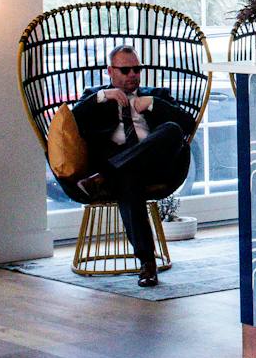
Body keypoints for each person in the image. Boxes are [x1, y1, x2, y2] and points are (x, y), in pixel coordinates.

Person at [70, 45, 192, 287]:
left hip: (156, 163)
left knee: (172, 130)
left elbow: (187, 124)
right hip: (125, 166)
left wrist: (154, 103)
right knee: (129, 180)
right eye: (125, 70)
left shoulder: (156, 95)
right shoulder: (94, 95)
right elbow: (71, 120)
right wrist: (103, 96)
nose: (132, 75)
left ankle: (104, 176)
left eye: (136, 69)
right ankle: (147, 264)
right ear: (110, 71)